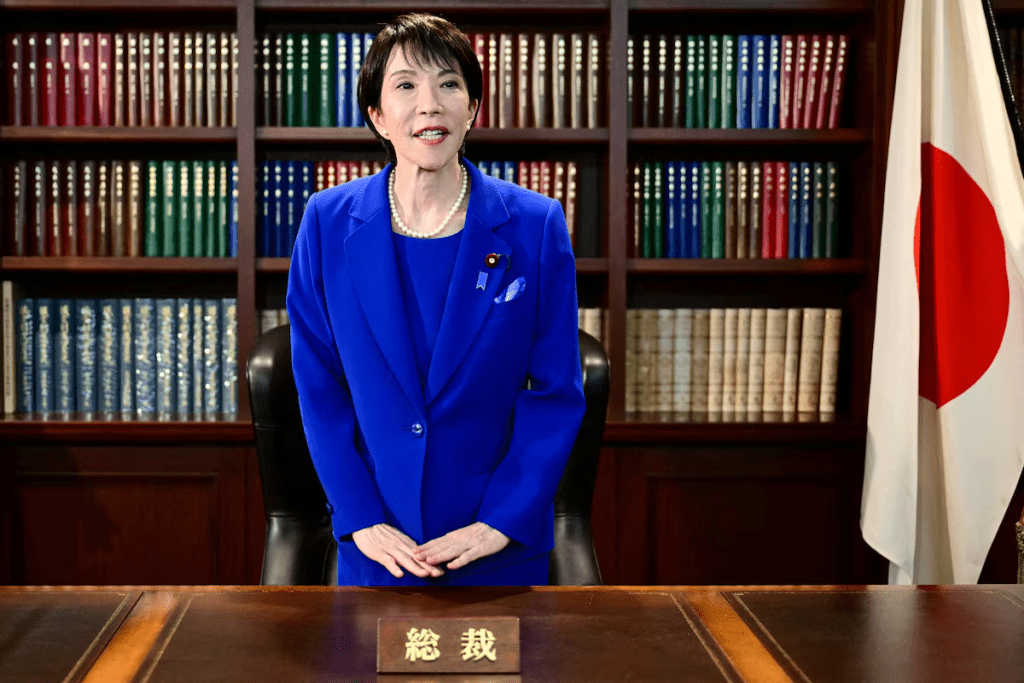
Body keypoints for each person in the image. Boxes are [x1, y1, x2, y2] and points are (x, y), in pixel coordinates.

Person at [286, 13, 585, 586]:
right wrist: (362, 519)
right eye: (405, 85)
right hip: (381, 547)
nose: (430, 105)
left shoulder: (535, 225)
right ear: (377, 115)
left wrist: (501, 521)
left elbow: (556, 392)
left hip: (494, 545)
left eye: (449, 84)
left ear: (472, 107)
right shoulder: (325, 224)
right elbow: (319, 388)